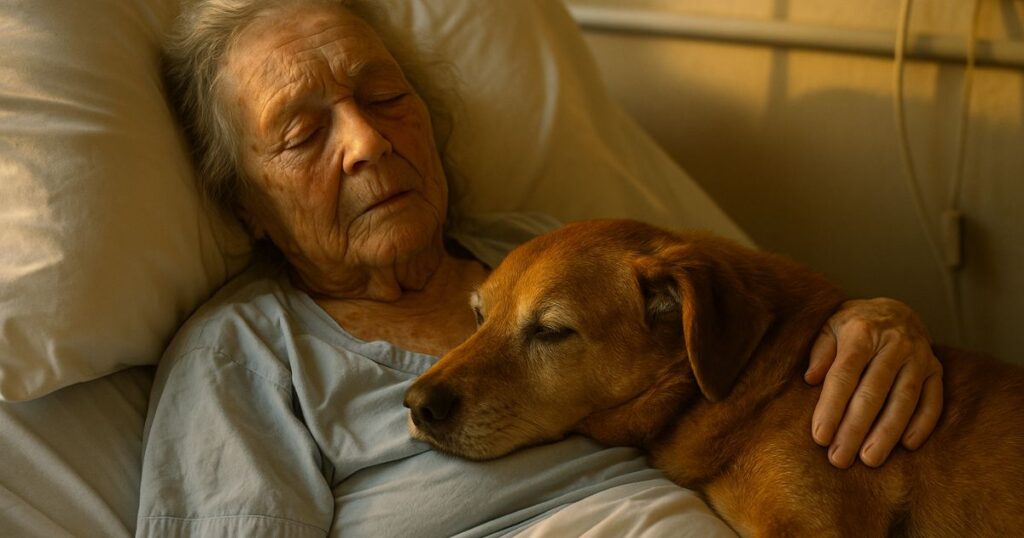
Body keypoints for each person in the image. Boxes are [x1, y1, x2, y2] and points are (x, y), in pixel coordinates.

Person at [137, 0, 944, 536]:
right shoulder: (242, 353)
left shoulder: (549, 245)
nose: (367, 142)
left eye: (384, 97)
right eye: (303, 134)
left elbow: (746, 321)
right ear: (245, 204)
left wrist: (871, 323)